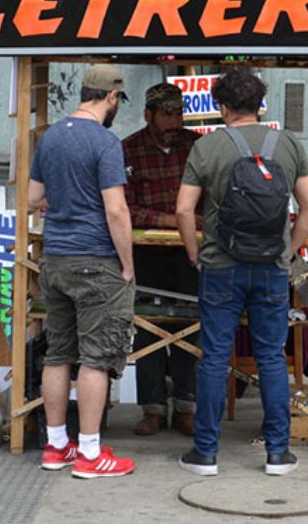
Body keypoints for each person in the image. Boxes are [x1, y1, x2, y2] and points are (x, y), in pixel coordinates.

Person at [174, 70, 308, 477]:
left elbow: (185, 209)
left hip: (221, 267)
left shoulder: (208, 146)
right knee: (272, 356)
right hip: (271, 267)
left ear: (222, 106)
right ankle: (277, 454)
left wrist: (194, 254)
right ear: (260, 104)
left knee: (215, 357)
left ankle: (205, 454)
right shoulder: (289, 144)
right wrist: (288, 251)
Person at [28, 63, 136, 479]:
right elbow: (116, 209)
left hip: (56, 258)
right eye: (116, 101)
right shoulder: (106, 143)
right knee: (96, 358)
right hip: (96, 261)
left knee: (57, 353)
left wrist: (65, 203)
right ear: (111, 97)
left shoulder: (51, 136)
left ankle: (57, 446)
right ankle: (91, 453)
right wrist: (127, 264)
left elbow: (34, 196)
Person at [122, 83, 201, 437]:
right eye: (166, 114)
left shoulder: (196, 145)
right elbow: (125, 208)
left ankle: (186, 406)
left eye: (178, 114)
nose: (174, 122)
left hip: (191, 252)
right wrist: (171, 220)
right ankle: (152, 408)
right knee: (148, 327)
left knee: (190, 325)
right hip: (147, 252)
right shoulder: (129, 150)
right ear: (148, 114)